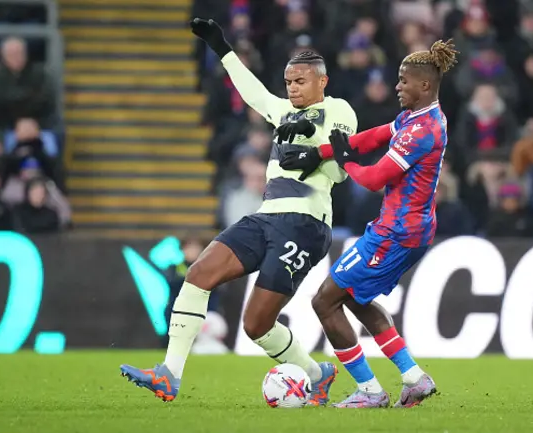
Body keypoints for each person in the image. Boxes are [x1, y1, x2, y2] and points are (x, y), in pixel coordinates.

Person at [120, 18, 358, 406]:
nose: (293, 88)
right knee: (198, 274)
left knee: (255, 325)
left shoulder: (338, 109)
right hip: (266, 217)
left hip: (306, 224)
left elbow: (341, 165)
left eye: (301, 81)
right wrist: (222, 47)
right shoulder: (281, 111)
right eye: (289, 82)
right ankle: (169, 373)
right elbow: (253, 93)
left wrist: (309, 146)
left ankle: (317, 373)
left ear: (322, 82)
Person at [279, 40, 458, 408]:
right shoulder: (418, 117)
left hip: (397, 233)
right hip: (405, 228)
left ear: (424, 86)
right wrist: (321, 152)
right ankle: (413, 378)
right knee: (356, 298)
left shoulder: (422, 132)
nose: (397, 87)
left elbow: (375, 178)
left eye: (403, 81)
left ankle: (370, 392)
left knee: (325, 302)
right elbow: (374, 136)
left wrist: (345, 162)